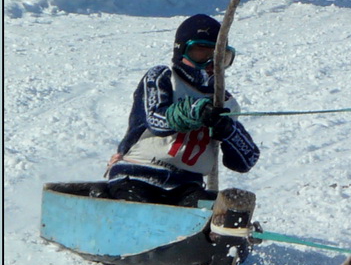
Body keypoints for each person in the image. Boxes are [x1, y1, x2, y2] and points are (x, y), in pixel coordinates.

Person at [105, 14, 260, 206]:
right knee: (144, 208)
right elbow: (155, 120)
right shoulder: (163, 79)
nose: (210, 64)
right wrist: (195, 112)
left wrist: (228, 131)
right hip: (138, 174)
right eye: (200, 54)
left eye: (219, 57)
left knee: (220, 208)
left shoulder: (224, 101)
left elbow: (247, 160)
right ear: (181, 51)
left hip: (186, 185)